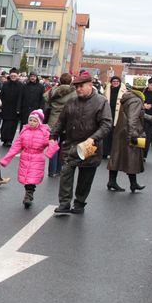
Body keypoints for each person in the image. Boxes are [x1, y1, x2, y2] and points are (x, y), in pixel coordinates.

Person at [51, 72, 112, 215]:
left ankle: (79, 203)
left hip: (90, 145)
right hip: (71, 144)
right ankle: (64, 203)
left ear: (90, 85)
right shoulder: (71, 101)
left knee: (85, 177)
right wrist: (53, 136)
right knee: (65, 173)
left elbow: (106, 124)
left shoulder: (101, 101)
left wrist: (93, 138)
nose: (78, 89)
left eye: (81, 86)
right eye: (76, 86)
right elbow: (61, 121)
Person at [0, 109, 57, 208]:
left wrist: (49, 153)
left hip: (37, 159)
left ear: (39, 122)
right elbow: (16, 146)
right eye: (30, 120)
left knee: (32, 179)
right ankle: (28, 194)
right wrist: (6, 159)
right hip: (25, 158)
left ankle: (28, 196)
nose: (32, 122)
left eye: (35, 121)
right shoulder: (24, 131)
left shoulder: (44, 132)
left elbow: (53, 142)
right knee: (26, 179)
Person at [107, 89, 147, 192]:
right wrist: (132, 135)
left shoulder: (129, 98)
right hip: (129, 132)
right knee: (131, 158)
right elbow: (132, 118)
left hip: (121, 131)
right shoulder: (137, 100)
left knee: (117, 157)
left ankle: (112, 181)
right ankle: (133, 184)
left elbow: (135, 114)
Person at [45, 73, 77, 177]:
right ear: (70, 81)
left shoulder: (54, 90)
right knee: (64, 146)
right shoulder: (74, 92)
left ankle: (51, 170)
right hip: (67, 121)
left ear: (60, 81)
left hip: (53, 120)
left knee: (53, 145)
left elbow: (45, 98)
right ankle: (59, 170)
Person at [0, 68, 22, 146]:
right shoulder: (5, 84)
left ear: (17, 76)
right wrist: (0, 106)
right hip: (6, 107)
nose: (13, 77)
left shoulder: (20, 85)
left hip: (15, 108)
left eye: (15, 76)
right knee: (5, 125)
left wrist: (19, 108)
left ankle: (9, 140)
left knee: (13, 126)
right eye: (12, 75)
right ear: (10, 75)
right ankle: (4, 138)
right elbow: (1, 96)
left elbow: (21, 97)